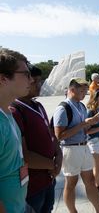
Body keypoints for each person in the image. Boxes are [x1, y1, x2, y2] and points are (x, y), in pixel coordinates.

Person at [10, 65, 62, 213]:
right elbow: (25, 155)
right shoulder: (15, 110)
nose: (38, 85)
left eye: (40, 81)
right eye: (34, 82)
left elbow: (50, 134)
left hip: (48, 180)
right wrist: (52, 164)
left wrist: (58, 154)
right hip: (32, 185)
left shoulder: (37, 105)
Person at [53, 78, 99, 213]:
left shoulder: (81, 106)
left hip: (84, 146)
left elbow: (82, 129)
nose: (85, 94)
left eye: (85, 91)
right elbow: (59, 136)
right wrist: (84, 124)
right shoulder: (63, 108)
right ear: (72, 90)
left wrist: (91, 122)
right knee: (71, 184)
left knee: (90, 180)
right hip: (70, 149)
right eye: (82, 91)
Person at [0, 48, 31, 213]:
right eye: (25, 74)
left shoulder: (8, 112)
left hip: (20, 205)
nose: (31, 80)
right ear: (3, 79)